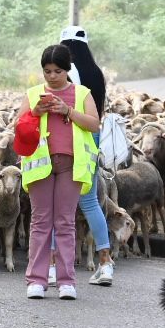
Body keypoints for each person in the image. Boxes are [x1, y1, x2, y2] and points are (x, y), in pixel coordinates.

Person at [19, 44, 100, 300]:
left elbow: (94, 124)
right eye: (47, 71)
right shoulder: (33, 94)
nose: (52, 76)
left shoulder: (82, 93)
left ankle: (67, 281)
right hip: (40, 164)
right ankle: (36, 280)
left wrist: (68, 111)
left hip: (71, 163)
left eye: (57, 71)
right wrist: (35, 112)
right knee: (40, 221)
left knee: (65, 221)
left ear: (67, 70)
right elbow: (18, 126)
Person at [59, 26, 114, 286]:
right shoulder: (97, 73)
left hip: (70, 136)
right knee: (90, 201)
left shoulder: (68, 73)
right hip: (92, 138)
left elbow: (68, 109)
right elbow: (97, 114)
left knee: (57, 200)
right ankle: (105, 263)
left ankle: (52, 265)